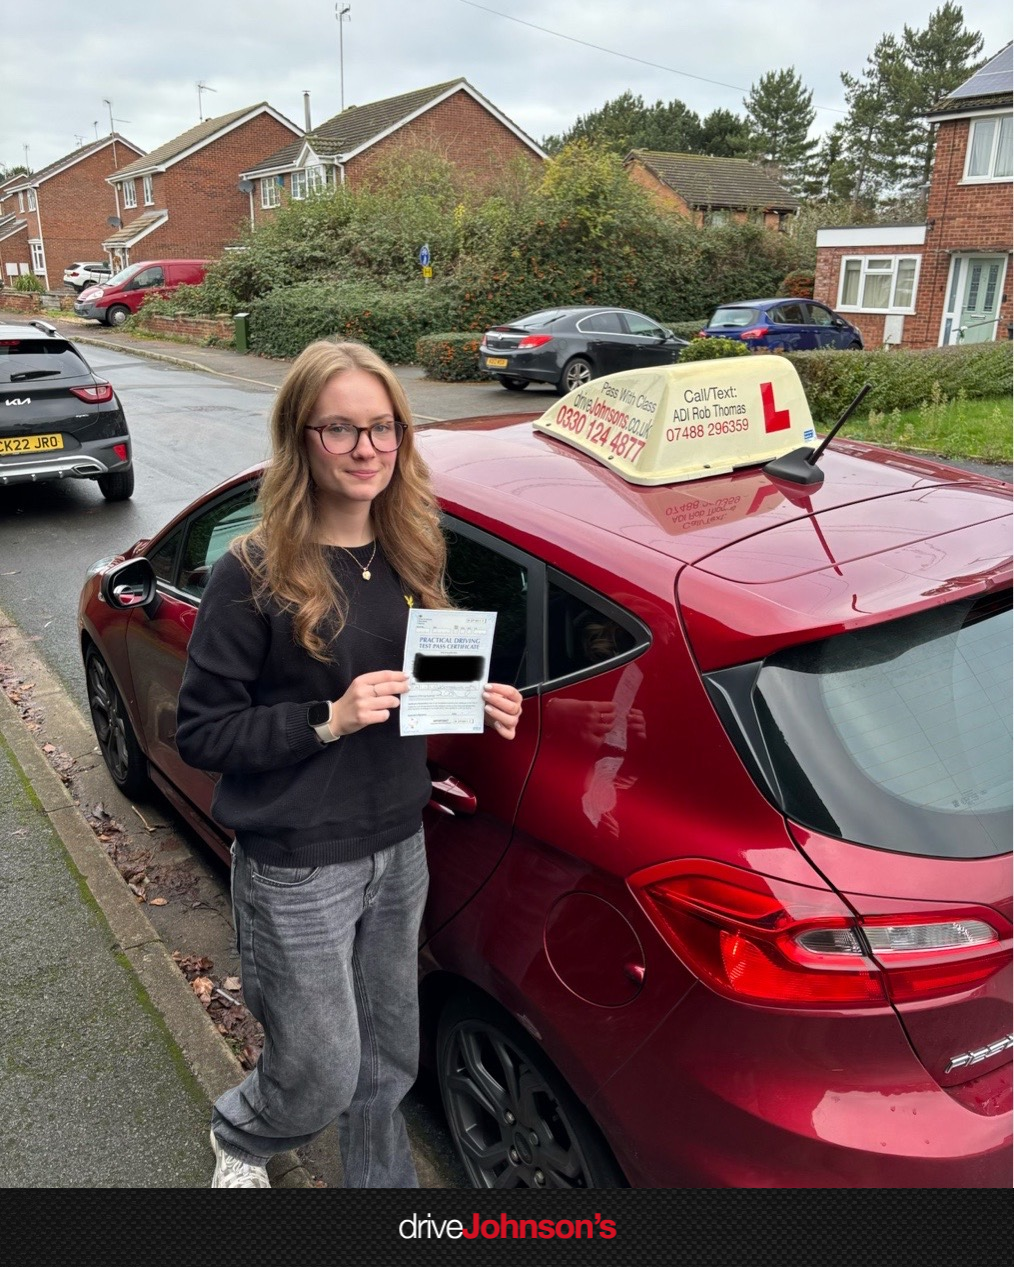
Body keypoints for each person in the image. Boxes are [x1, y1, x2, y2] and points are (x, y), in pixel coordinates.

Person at [175, 339, 523, 1188]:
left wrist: (468, 696)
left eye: (383, 428)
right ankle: (245, 1132)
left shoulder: (413, 548)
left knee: (389, 1057)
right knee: (323, 1069)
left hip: (398, 842)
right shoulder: (250, 572)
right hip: (296, 862)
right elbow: (202, 733)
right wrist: (325, 721)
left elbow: (418, 682)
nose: (367, 449)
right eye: (341, 429)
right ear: (300, 438)